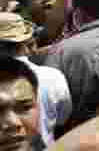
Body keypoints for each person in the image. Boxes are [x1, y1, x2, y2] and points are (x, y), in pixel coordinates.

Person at [0, 13, 70, 146]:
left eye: (25, 107)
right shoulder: (54, 76)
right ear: (25, 43)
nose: (13, 123)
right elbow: (62, 119)